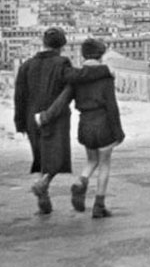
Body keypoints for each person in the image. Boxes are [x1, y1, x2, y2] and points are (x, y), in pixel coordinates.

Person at [14, 28, 112, 215]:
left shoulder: (26, 65)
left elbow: (19, 96)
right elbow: (77, 77)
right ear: (62, 46)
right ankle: (43, 184)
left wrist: (20, 123)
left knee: (43, 156)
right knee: (57, 157)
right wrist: (103, 71)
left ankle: (44, 194)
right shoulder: (61, 63)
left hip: (31, 118)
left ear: (43, 43)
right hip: (55, 117)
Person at [35, 39, 124, 218]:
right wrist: (118, 132)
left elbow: (62, 101)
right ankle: (99, 205)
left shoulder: (75, 78)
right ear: (101, 55)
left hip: (85, 124)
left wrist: (45, 117)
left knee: (92, 160)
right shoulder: (105, 77)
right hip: (103, 123)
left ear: (83, 55)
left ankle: (81, 181)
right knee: (104, 163)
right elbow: (112, 107)